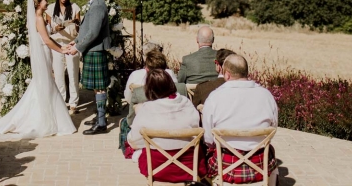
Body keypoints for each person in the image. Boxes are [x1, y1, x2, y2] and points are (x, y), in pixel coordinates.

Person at [0, 0, 76, 139]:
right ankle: (43, 120)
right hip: (43, 53)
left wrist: (60, 44)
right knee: (44, 84)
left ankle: (48, 117)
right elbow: (47, 40)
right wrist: (61, 49)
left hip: (44, 52)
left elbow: (47, 37)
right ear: (38, 4)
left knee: (44, 84)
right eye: (45, 1)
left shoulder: (39, 18)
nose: (47, 3)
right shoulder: (38, 19)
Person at [202, 54, 279, 185]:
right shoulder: (266, 95)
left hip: (226, 166)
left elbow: (208, 140)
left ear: (226, 74)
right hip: (260, 165)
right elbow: (272, 130)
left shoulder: (214, 97)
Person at [127, 69, 202, 182]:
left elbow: (135, 141)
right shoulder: (186, 103)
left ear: (149, 89)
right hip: (190, 166)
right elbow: (196, 127)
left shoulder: (147, 108)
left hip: (156, 168)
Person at [120, 50, 188, 158]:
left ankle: (127, 151)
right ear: (165, 68)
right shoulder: (181, 88)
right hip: (180, 141)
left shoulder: (139, 92)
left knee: (125, 123)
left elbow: (131, 120)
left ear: (146, 69)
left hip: (151, 141)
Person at [67, 0, 112, 135]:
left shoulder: (98, 5)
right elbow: (88, 28)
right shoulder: (95, 4)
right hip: (93, 50)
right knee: (96, 88)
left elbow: (93, 32)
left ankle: (101, 123)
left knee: (99, 88)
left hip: (96, 50)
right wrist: (76, 41)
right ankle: (100, 119)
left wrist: (78, 48)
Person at [46, 0, 82, 113]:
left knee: (73, 73)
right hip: (57, 44)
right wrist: (56, 28)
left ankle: (74, 103)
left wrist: (75, 23)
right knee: (59, 73)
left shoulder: (74, 7)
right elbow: (48, 28)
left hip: (71, 42)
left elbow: (79, 27)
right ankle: (61, 100)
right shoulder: (50, 8)